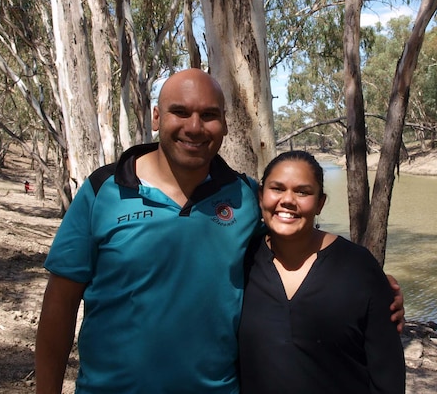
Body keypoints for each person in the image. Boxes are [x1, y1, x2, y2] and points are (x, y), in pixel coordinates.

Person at [35, 69, 404, 394]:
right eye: (180, 112)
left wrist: (367, 285)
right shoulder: (104, 190)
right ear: (156, 117)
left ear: (225, 124)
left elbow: (293, 246)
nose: (194, 127)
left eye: (209, 115)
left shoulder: (244, 197)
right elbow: (60, 305)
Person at [239, 151, 406, 394]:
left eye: (302, 192)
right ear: (260, 196)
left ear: (320, 203)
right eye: (277, 188)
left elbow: (387, 374)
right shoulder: (242, 262)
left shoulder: (358, 268)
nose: (288, 200)